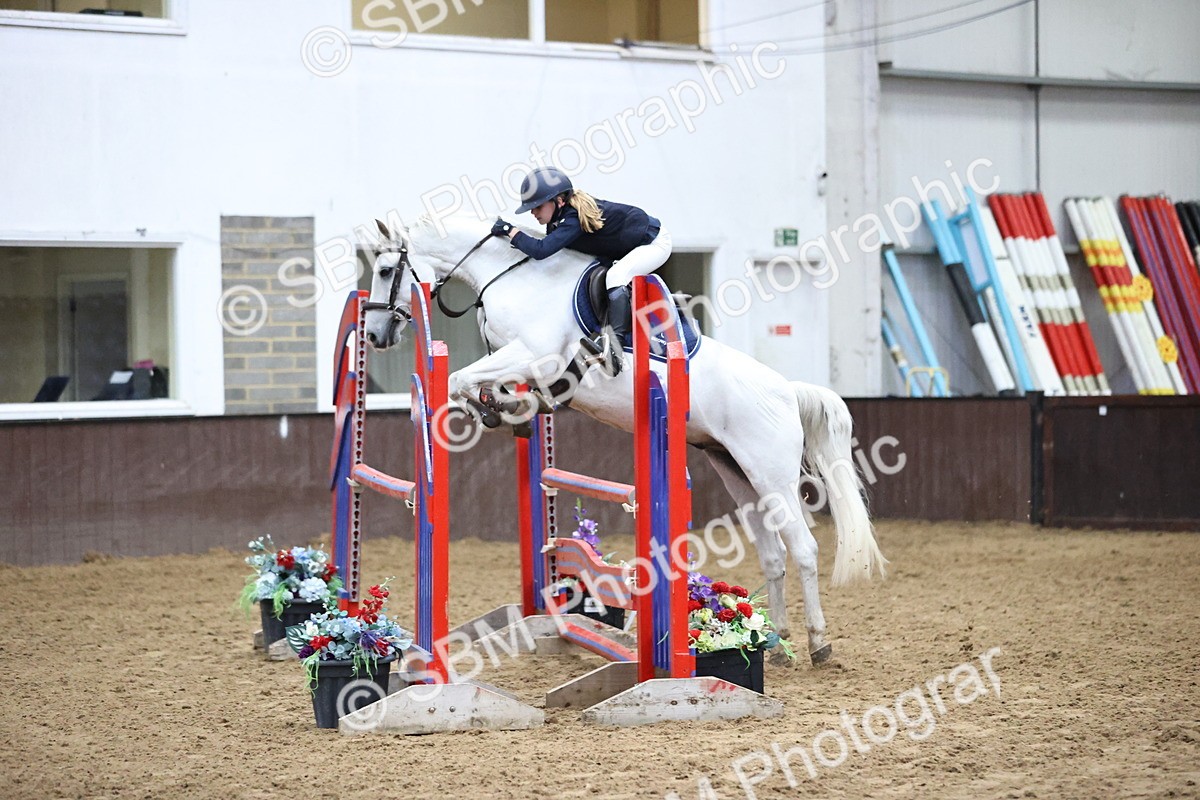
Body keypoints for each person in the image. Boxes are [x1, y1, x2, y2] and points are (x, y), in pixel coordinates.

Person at [491, 166, 671, 376]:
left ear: (559, 200)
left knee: (616, 276)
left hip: (653, 243)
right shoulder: (558, 221)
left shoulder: (573, 218)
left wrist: (510, 230)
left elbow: (541, 250)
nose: (533, 212)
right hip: (622, 248)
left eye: (537, 206)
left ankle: (615, 350)